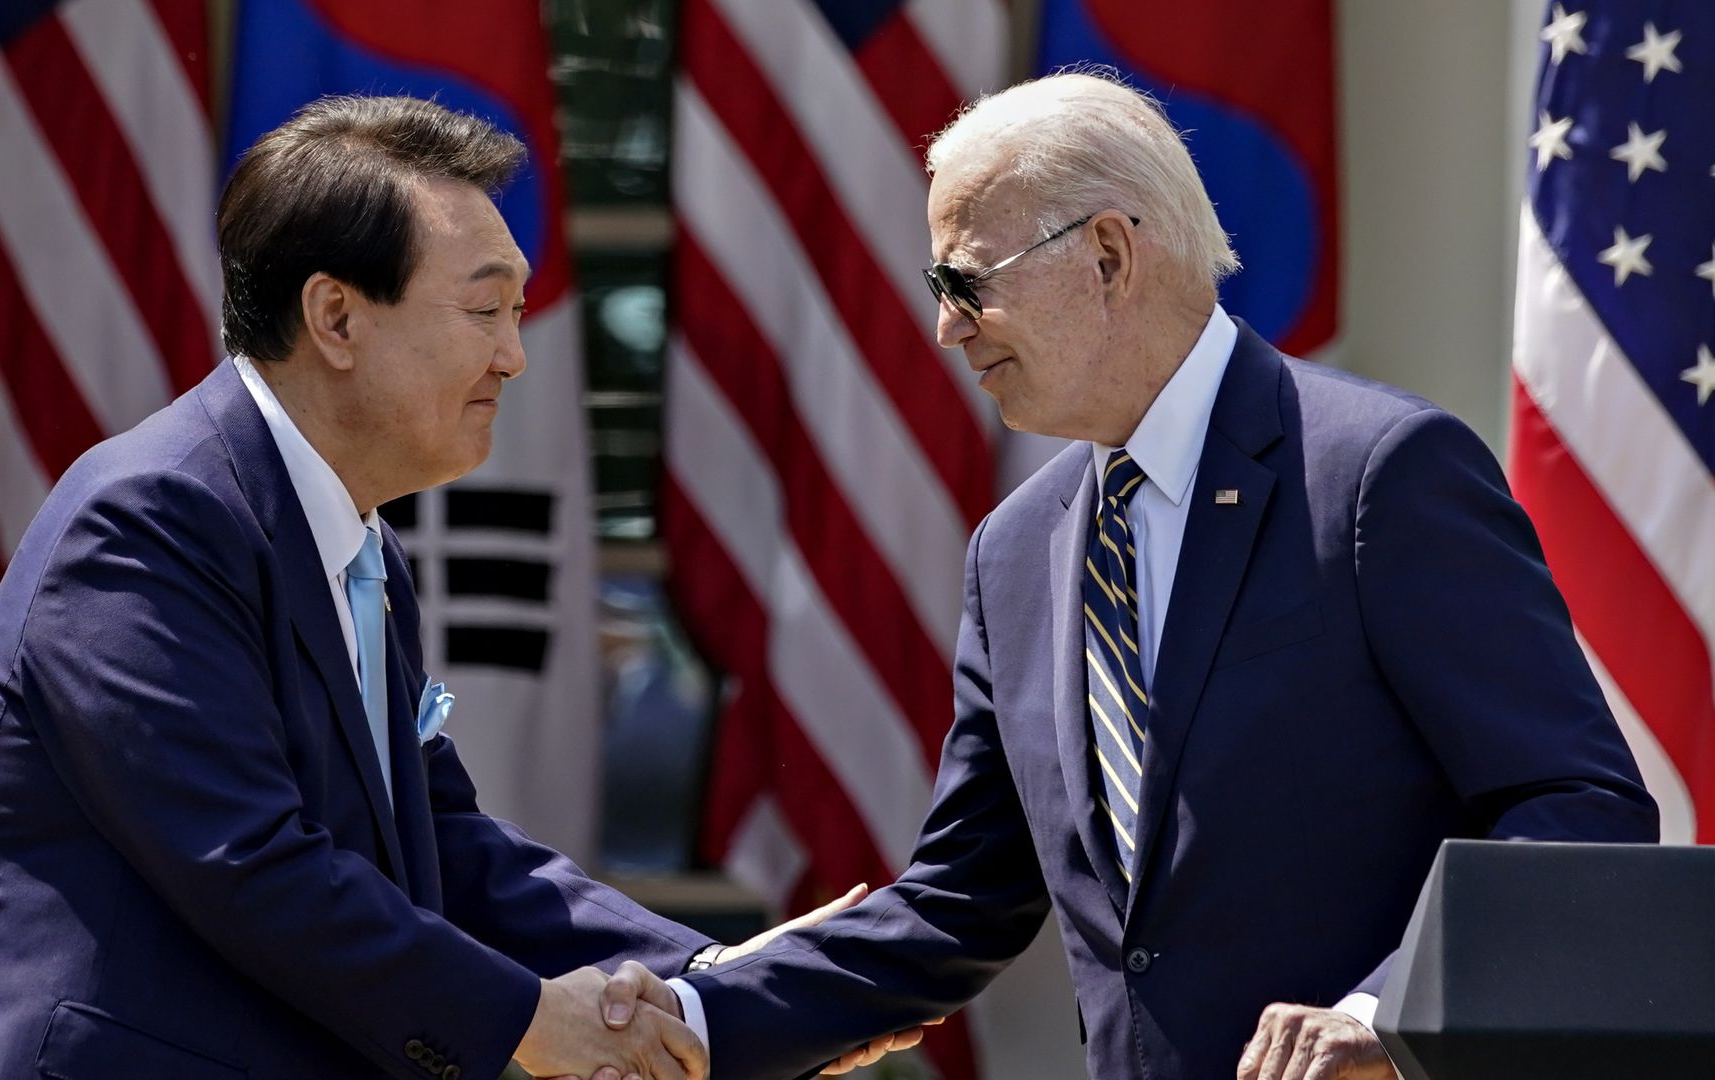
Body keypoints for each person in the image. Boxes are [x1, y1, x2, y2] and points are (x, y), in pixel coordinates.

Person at [660, 71, 1660, 1080]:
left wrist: (1387, 1018)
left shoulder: (1376, 475)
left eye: (965, 284)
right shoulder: (1013, 554)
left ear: (1106, 254)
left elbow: (1580, 810)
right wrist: (690, 1020)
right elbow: (955, 903)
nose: (947, 329)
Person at [0, 94, 837, 1080]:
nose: (514, 354)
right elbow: (250, 862)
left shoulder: (355, 540)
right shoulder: (150, 518)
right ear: (335, 316)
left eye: (518, 312)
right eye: (485, 308)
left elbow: (446, 846)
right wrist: (534, 1021)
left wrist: (709, 977)